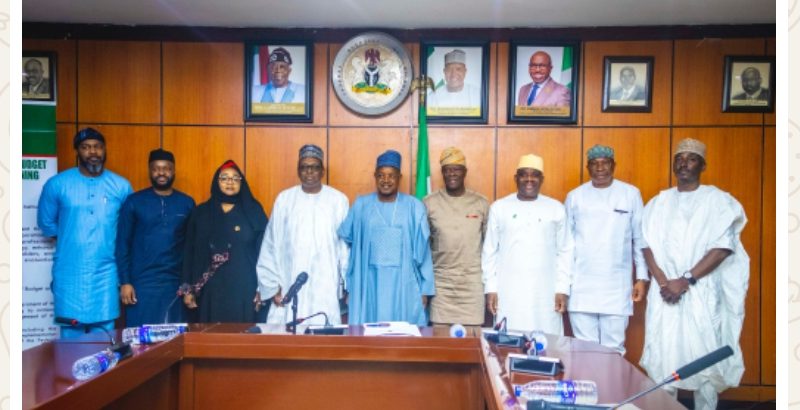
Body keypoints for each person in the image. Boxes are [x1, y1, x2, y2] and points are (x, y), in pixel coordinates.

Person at [640, 138, 749, 410]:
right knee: (663, 353)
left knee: (705, 354)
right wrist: (664, 282)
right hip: (665, 293)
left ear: (703, 165)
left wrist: (686, 280)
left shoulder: (718, 201)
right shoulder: (658, 202)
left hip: (701, 291)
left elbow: (722, 248)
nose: (684, 163)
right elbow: (645, 245)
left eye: (691, 159)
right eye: (679, 158)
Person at [37, 128, 133, 338]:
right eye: (86, 147)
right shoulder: (57, 184)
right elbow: (46, 223)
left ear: (104, 150)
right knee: (70, 332)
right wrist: (74, 241)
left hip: (106, 270)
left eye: (98, 147)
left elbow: (128, 228)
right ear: (77, 151)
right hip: (70, 270)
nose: (93, 152)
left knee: (105, 334)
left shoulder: (121, 186)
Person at [564, 144, 647, 355]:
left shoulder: (630, 194)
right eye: (594, 163)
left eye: (605, 163)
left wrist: (641, 278)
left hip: (616, 286)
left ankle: (612, 380)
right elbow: (566, 245)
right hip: (581, 285)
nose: (600, 168)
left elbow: (639, 238)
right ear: (587, 167)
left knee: (614, 349)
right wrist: (564, 285)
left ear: (614, 165)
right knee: (583, 349)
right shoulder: (575, 196)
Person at [337, 150, 435, 326]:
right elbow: (349, 245)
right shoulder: (361, 205)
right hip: (368, 283)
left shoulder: (414, 207)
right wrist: (350, 285)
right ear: (375, 177)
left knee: (403, 334)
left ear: (399, 177)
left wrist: (425, 290)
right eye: (381, 175)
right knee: (368, 333)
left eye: (391, 175)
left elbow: (424, 252)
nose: (386, 180)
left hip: (404, 285)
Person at [256, 144, 349, 326]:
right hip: (290, 280)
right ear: (298, 170)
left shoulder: (338, 200)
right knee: (290, 333)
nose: (309, 172)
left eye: (314, 167)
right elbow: (270, 244)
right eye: (304, 167)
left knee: (323, 330)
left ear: (322, 171)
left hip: (325, 283)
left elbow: (344, 248)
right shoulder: (284, 199)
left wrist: (347, 285)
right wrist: (271, 286)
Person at [482, 154, 572, 334]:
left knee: (547, 342)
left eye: (535, 175)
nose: (529, 179)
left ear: (542, 179)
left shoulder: (556, 208)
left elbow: (565, 251)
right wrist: (490, 288)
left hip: (545, 293)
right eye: (524, 174)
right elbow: (489, 251)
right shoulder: (500, 207)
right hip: (509, 292)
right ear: (516, 178)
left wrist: (563, 289)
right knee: (509, 340)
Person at [115, 149, 195, 327]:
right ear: (149, 171)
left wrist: (188, 286)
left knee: (174, 337)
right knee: (140, 337)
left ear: (173, 171)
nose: (161, 173)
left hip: (175, 283)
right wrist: (125, 282)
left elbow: (191, 248)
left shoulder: (187, 203)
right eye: (156, 168)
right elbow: (122, 244)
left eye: (166, 168)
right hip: (142, 283)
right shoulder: (134, 201)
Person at [181, 160, 268, 323]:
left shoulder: (254, 211)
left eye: (235, 178)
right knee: (210, 334)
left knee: (242, 335)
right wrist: (187, 289)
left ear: (241, 183)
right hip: (208, 289)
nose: (230, 182)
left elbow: (265, 252)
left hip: (244, 287)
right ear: (216, 181)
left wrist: (263, 288)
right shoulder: (201, 213)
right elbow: (189, 253)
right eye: (225, 178)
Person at [423, 147, 489, 326]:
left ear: (465, 172)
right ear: (442, 173)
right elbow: (423, 248)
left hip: (472, 284)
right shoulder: (429, 203)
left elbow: (489, 248)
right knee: (440, 339)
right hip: (441, 286)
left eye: (457, 169)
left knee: (472, 339)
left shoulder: (481, 203)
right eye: (447, 170)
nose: (452, 174)